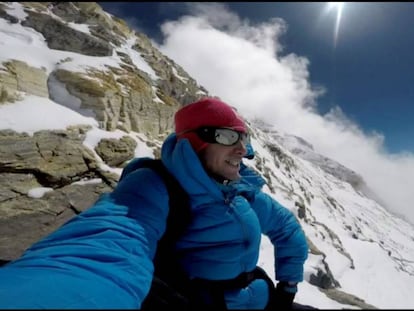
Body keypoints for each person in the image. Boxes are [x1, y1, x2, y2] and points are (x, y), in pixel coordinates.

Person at [0, 97, 308, 309]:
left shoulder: (241, 191)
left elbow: (285, 227)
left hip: (258, 295)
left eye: (244, 139)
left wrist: (288, 287)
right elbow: (104, 248)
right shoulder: (155, 185)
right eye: (228, 137)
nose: (242, 150)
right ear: (195, 141)